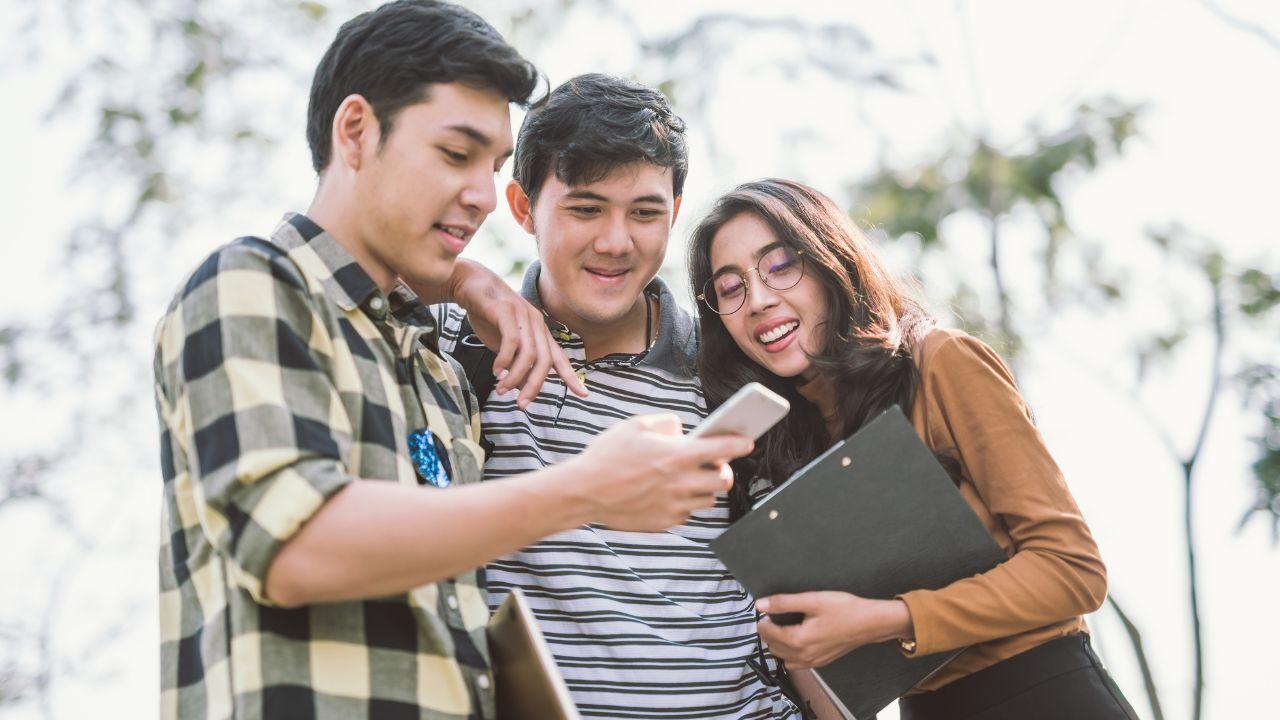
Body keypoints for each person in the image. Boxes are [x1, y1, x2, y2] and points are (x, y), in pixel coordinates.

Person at [151, 4, 751, 718]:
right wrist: (588, 488)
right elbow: (294, 548)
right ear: (356, 131)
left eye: (491, 165)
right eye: (455, 154)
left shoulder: (431, 358)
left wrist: (464, 280)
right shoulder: (252, 284)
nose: (480, 196)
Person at [686, 178, 1140, 720]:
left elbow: (1074, 570)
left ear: (832, 260)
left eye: (781, 265)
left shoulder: (939, 363)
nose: (758, 299)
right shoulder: (781, 448)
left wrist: (890, 618)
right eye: (731, 288)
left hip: (1043, 693)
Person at [430, 75, 801, 719]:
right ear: (523, 208)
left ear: (675, 212)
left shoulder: (730, 365)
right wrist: (462, 279)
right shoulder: (455, 345)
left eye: (645, 212)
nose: (616, 242)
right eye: (585, 208)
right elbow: (328, 262)